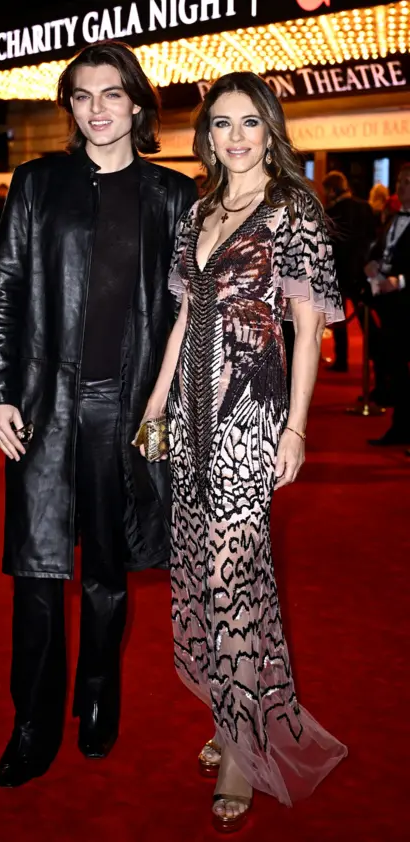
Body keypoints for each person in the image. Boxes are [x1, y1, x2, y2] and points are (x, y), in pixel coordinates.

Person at [0, 41, 197, 789]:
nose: (98, 109)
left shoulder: (172, 196)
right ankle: (33, 719)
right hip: (43, 408)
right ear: (69, 107)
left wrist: (172, 407)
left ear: (137, 104)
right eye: (82, 96)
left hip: (123, 412)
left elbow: (185, 314)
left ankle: (97, 693)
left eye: (112, 94)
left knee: (107, 572)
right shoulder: (37, 183)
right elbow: (6, 287)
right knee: (37, 574)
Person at [139, 72, 347, 832]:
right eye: (222, 124)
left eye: (250, 123)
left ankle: (237, 745)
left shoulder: (293, 214)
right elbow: (182, 316)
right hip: (190, 418)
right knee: (208, 572)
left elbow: (307, 331)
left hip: (247, 418)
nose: (235, 137)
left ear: (271, 131)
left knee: (231, 576)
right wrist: (157, 402)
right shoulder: (199, 211)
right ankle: (236, 713)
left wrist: (295, 428)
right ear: (207, 136)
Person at [366, 163, 410, 447]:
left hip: (406, 299)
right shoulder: (393, 218)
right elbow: (386, 251)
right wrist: (374, 265)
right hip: (392, 308)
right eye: (399, 180)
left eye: (407, 181)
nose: (401, 185)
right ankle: (400, 428)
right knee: (396, 368)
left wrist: (400, 280)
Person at [322, 171, 376, 374]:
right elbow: (373, 238)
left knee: (339, 318)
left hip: (338, 272)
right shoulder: (365, 207)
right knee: (366, 320)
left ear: (332, 189)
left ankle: (341, 359)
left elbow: (329, 245)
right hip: (362, 271)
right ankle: (377, 360)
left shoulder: (332, 211)